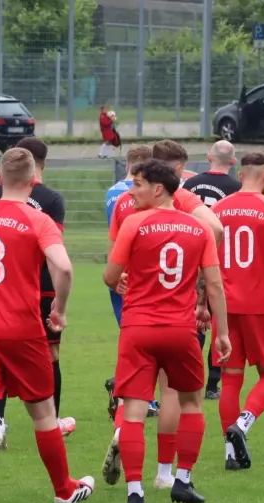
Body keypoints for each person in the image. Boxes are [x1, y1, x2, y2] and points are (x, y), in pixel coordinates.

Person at [0, 148, 94, 503]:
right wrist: (58, 310)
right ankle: (64, 492)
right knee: (44, 413)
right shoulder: (36, 218)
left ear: (1, 180)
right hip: (21, 329)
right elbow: (63, 267)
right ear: (32, 180)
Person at [103, 158, 231, 503]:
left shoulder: (134, 223)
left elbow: (110, 276)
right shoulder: (198, 228)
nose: (132, 192)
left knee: (133, 411)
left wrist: (120, 280)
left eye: (138, 185)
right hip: (180, 328)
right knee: (190, 403)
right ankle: (182, 481)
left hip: (138, 328)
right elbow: (216, 285)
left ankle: (134, 491)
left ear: (158, 189)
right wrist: (222, 332)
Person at [0, 137, 76, 438]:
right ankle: (54, 419)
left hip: (5, 285)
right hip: (44, 288)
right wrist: (58, 302)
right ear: (44, 163)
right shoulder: (51, 199)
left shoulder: (1, 191)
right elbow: (55, 252)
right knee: (50, 354)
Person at [211, 151, 264, 470]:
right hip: (260, 305)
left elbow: (208, 262)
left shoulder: (218, 209)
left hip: (225, 306)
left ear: (241, 172)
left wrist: (202, 304)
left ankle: (231, 455)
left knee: (230, 378)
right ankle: (243, 425)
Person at [183, 140, 243, 400]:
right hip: (222, 260)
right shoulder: (237, 189)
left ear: (208, 157)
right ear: (233, 161)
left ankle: (189, 377)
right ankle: (212, 385)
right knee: (217, 321)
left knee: (194, 320)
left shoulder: (189, 185)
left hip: (189, 257)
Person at [103, 146, 158, 419]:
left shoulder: (113, 192)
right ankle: (137, 394)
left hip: (118, 268)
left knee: (129, 334)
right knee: (145, 339)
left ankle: (128, 390)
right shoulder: (148, 194)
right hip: (143, 274)